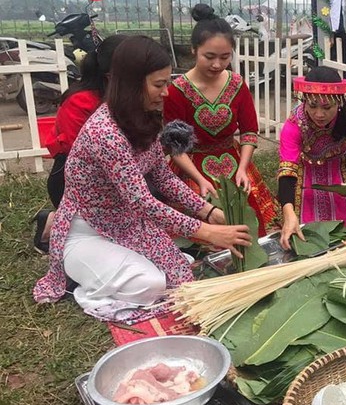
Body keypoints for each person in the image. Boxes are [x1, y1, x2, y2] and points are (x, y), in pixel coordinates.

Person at [32, 36, 252, 320]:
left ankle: (115, 266)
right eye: (159, 85)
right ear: (132, 84)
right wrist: (205, 231)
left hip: (123, 224)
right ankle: (79, 281)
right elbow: (143, 203)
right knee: (152, 285)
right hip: (86, 229)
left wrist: (208, 211)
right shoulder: (106, 133)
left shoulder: (142, 117)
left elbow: (162, 178)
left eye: (166, 83)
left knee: (179, 274)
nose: (167, 93)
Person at [163, 4, 277, 236]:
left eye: (225, 57)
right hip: (191, 166)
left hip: (234, 164)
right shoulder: (177, 91)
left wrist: (243, 168)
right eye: (210, 57)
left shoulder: (236, 84)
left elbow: (249, 132)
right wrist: (198, 179)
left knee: (252, 229)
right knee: (199, 235)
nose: (217, 64)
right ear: (194, 50)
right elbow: (175, 146)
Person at [32, 34, 128, 253]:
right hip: (74, 179)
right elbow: (79, 155)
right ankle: (54, 222)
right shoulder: (80, 100)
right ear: (111, 73)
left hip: (117, 175)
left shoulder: (130, 97)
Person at [278, 66, 346, 250]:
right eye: (312, 105)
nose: (319, 114)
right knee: (306, 232)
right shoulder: (295, 124)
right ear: (304, 101)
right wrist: (288, 213)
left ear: (340, 102)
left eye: (327, 107)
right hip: (305, 173)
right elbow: (287, 170)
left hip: (339, 170)